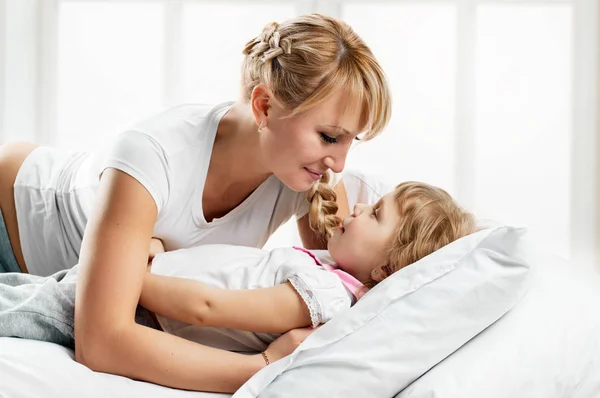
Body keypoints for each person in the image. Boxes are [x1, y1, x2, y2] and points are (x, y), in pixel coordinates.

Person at [0, 14, 392, 391]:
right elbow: (100, 342)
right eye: (328, 137)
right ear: (264, 107)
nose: (339, 163)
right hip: (11, 221)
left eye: (350, 141)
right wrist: (262, 368)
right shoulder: (154, 153)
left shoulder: (311, 177)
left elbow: (354, 291)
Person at [0, 181, 476, 392]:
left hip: (136, 302)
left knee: (20, 310)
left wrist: (130, 278)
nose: (359, 209)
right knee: (18, 293)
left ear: (386, 269)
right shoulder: (331, 267)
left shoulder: (328, 298)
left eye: (376, 214)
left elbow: (210, 307)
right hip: (138, 284)